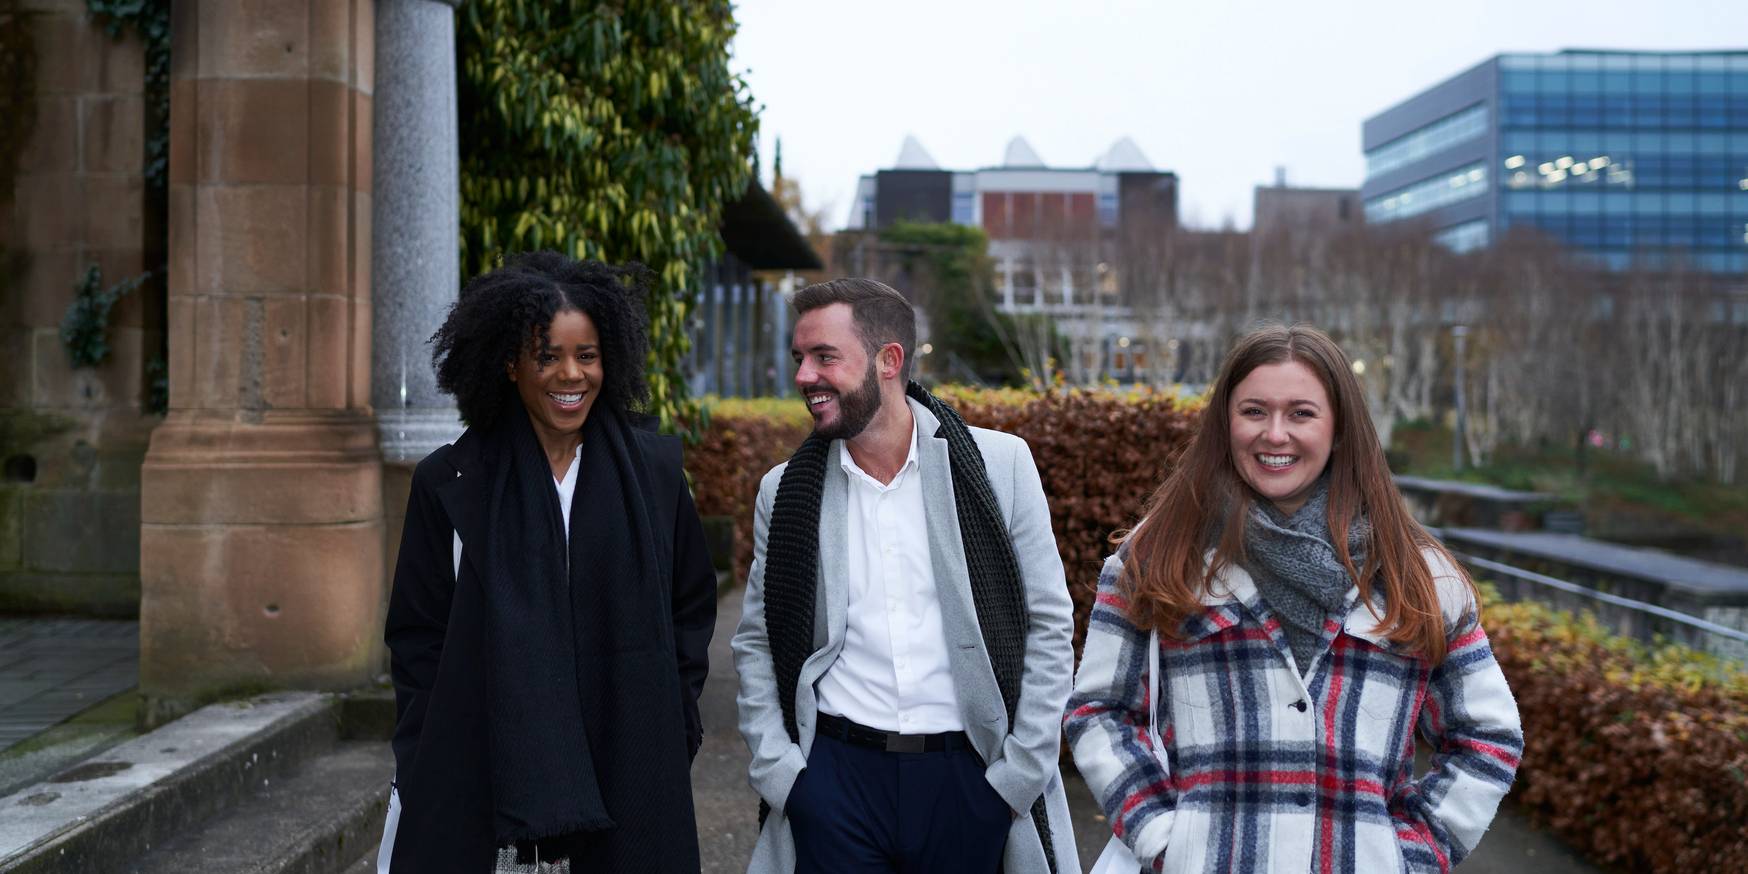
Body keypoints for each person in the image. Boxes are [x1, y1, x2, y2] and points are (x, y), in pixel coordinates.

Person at [1065, 324, 1522, 874]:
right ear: (1225, 424)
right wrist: (1162, 836)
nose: (1274, 434)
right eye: (1254, 411)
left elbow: (1487, 735)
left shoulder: (1417, 576)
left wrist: (1411, 855)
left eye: (1301, 414)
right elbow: (1100, 710)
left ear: (1340, 431)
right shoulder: (1158, 557)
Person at [381, 252, 717, 873]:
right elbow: (417, 632)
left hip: (630, 771)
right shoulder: (450, 481)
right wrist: (427, 745)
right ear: (510, 366)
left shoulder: (656, 475)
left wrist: (674, 721)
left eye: (587, 356)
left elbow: (689, 610)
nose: (572, 374)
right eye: (548, 356)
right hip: (480, 780)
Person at [733, 278, 1080, 874]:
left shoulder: (1001, 467)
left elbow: (1049, 626)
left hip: (970, 779)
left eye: (824, 357)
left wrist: (1016, 779)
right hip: (835, 782)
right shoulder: (786, 491)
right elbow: (757, 642)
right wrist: (786, 780)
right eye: (799, 359)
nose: (804, 377)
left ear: (888, 360)